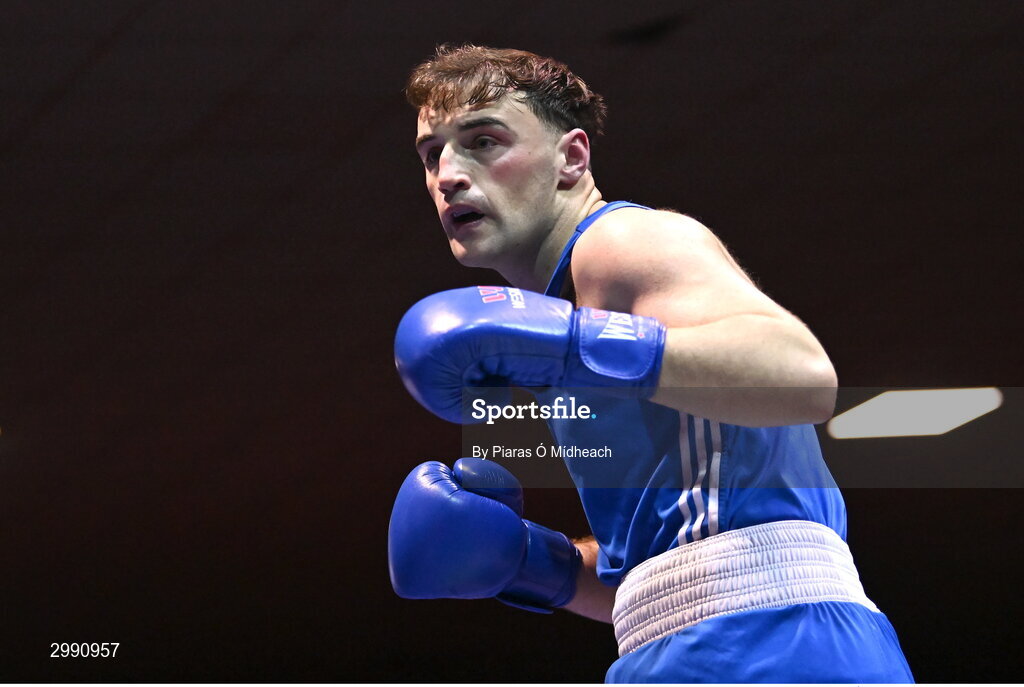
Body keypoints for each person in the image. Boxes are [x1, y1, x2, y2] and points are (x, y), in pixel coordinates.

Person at [387, 44, 913, 683]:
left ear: (571, 157)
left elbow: (801, 378)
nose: (448, 173)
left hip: (774, 639)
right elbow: (675, 581)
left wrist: (573, 344)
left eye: (484, 141)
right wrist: (529, 562)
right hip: (682, 647)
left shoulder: (623, 244)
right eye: (431, 153)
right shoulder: (561, 325)